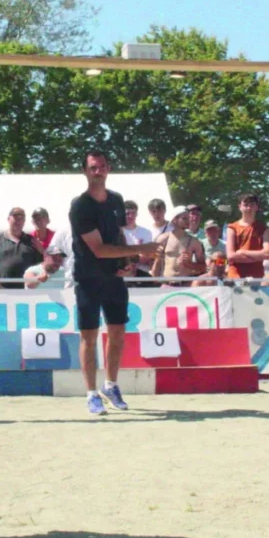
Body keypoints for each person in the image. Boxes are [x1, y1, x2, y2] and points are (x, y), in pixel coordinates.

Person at [70, 151, 158, 415]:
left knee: (118, 331)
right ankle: (91, 393)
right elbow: (98, 249)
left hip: (114, 277)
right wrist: (142, 249)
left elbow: (118, 235)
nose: (98, 171)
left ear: (108, 169)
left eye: (102, 166)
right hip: (88, 277)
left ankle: (111, 385)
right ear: (85, 171)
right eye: (93, 167)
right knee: (89, 335)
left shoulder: (117, 200)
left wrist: (128, 261)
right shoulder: (80, 206)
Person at [0, 208, 43, 289]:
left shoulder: (32, 241)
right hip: (1, 291)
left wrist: (42, 251)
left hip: (26, 292)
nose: (18, 221)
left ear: (24, 221)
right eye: (16, 217)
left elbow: (42, 265)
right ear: (8, 219)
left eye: (21, 218)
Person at [151, 206, 206, 283]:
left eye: (188, 218)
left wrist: (189, 264)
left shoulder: (194, 242)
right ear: (175, 220)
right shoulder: (163, 239)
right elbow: (156, 263)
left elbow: (203, 267)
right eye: (184, 218)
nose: (188, 221)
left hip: (186, 284)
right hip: (167, 284)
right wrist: (154, 281)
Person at [225, 194, 269, 280]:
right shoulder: (232, 228)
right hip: (235, 276)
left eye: (252, 204)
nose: (249, 208)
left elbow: (267, 254)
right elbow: (231, 256)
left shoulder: (264, 229)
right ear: (240, 207)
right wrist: (257, 257)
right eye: (245, 205)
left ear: (256, 207)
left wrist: (242, 252)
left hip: (256, 277)